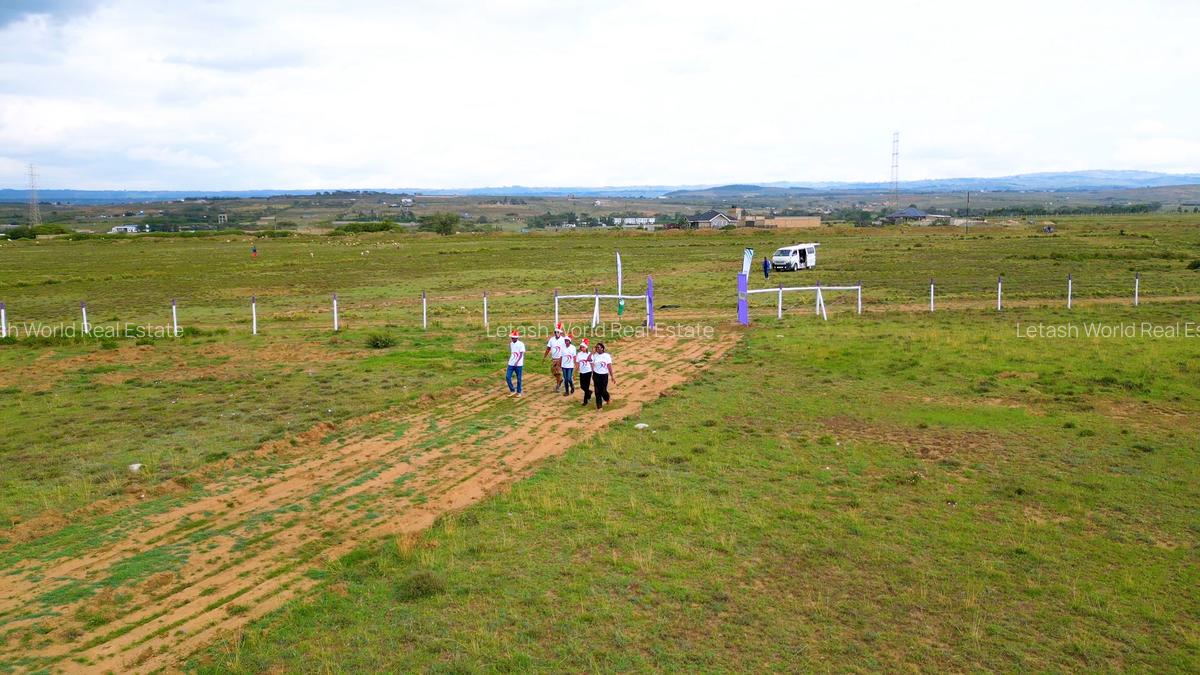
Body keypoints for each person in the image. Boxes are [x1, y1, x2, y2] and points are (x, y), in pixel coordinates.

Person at [542, 323, 567, 392]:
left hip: (560, 359)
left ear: (560, 333)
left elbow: (568, 341)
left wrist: (564, 329)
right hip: (553, 359)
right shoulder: (551, 340)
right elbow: (548, 349)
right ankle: (560, 380)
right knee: (554, 372)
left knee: (558, 372)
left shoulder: (563, 340)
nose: (556, 333)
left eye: (558, 332)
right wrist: (544, 357)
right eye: (555, 332)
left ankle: (558, 386)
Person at [590, 341, 614, 410]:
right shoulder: (594, 355)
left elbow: (609, 366)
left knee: (603, 390)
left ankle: (607, 398)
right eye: (596, 347)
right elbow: (589, 360)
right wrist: (592, 352)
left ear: (602, 348)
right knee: (597, 391)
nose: (597, 349)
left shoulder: (606, 356)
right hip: (596, 374)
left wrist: (612, 376)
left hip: (604, 375)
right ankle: (599, 407)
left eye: (598, 347)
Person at [506, 329, 525, 398]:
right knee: (507, 377)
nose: (512, 339)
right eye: (511, 337)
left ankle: (519, 392)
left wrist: (517, 361)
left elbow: (521, 354)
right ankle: (512, 390)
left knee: (519, 378)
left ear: (516, 338)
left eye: (513, 337)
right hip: (511, 363)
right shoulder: (511, 344)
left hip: (518, 364)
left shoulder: (521, 344)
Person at [577, 338, 593, 406]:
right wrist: (576, 370)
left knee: (586, 386)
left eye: (583, 347)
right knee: (582, 386)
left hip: (588, 371)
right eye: (581, 347)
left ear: (586, 348)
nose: (582, 348)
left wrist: (593, 372)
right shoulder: (579, 354)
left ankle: (585, 401)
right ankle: (589, 392)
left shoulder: (589, 354)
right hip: (582, 372)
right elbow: (577, 363)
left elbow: (592, 363)